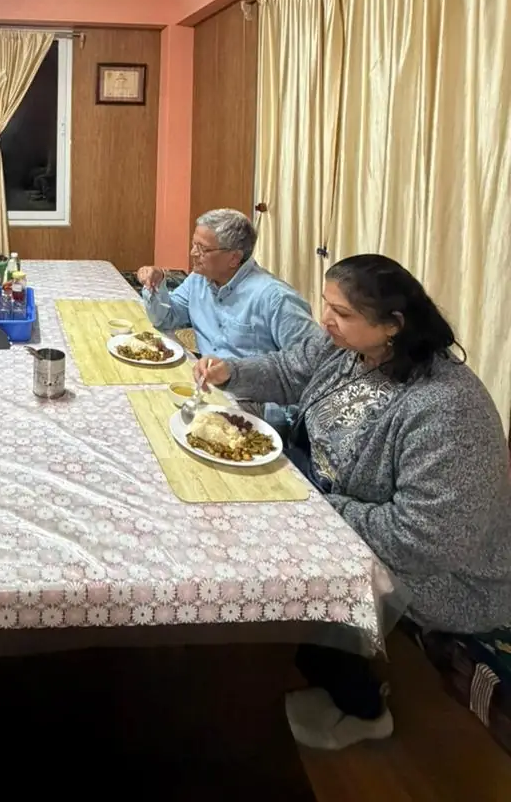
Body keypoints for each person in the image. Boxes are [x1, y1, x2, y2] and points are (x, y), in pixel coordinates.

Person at [193, 254, 511, 751]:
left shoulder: (446, 408)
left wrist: (311, 508)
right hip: (331, 494)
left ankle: (361, 707)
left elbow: (423, 539)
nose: (326, 320)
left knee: (297, 563)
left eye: (341, 313)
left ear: (393, 325)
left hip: (444, 573)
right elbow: (289, 369)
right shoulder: (350, 347)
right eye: (326, 305)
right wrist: (230, 372)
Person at [137, 209, 318, 429]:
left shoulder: (275, 298)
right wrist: (157, 284)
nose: (193, 253)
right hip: (207, 386)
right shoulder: (199, 280)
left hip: (254, 405)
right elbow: (166, 318)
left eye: (202, 249)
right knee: (145, 405)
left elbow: (314, 363)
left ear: (234, 258)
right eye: (194, 245)